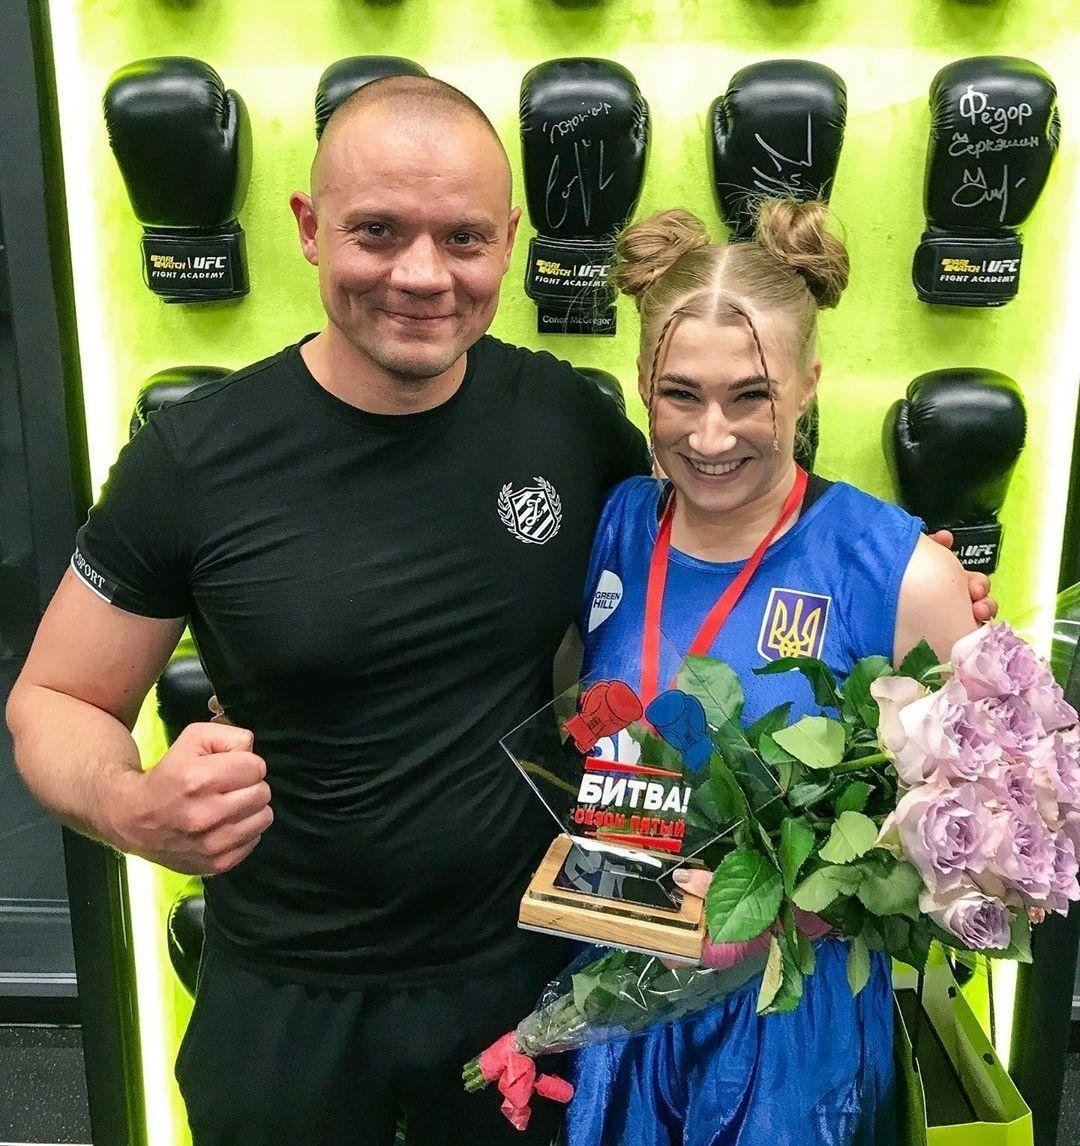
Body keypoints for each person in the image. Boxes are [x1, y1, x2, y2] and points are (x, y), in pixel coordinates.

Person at [5, 77, 991, 1146]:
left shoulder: (571, 426)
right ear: (309, 227)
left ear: (509, 241)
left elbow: (722, 533)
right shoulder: (192, 457)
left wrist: (911, 588)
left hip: (534, 983)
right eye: (378, 231)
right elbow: (54, 698)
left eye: (463, 237)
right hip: (289, 994)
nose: (422, 274)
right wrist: (130, 808)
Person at [564, 201, 978, 1145]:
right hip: (618, 993)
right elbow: (577, 716)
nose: (711, 437)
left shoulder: (899, 571)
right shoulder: (615, 524)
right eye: (681, 395)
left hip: (793, 1029)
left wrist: (792, 911)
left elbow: (972, 840)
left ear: (809, 385)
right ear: (642, 383)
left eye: (750, 396)